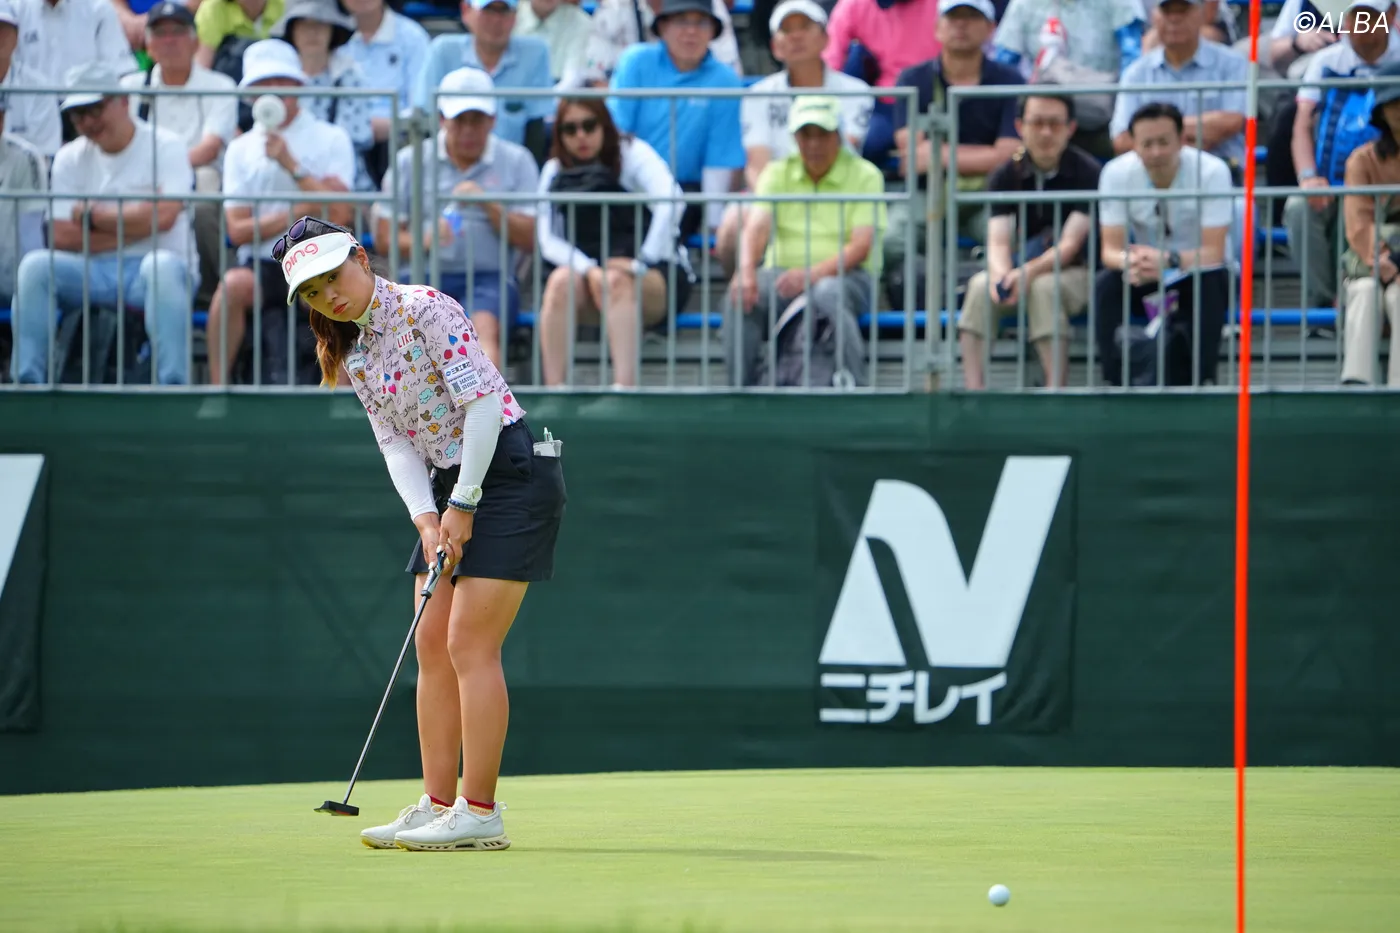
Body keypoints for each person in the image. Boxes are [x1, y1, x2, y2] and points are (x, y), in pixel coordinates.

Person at [275, 215, 566, 851]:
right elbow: (395, 443)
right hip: (446, 485)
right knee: (430, 643)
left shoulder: (427, 308)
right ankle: (437, 804)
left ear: (361, 257)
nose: (330, 296)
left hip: (508, 474)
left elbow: (482, 405)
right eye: (315, 292)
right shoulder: (354, 352)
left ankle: (479, 811)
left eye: (334, 277)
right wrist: (427, 518)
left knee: (468, 644)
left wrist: (463, 502)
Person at [11, 61, 197, 386]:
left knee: (160, 266)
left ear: (123, 101)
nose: (87, 122)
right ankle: (28, 384)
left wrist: (92, 218)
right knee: (35, 267)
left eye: (95, 109)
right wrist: (143, 222)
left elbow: (166, 217)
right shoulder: (69, 156)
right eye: (78, 115)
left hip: (154, 272)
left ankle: (173, 388)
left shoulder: (166, 145)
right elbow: (60, 236)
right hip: (91, 271)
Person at [209, 37, 355, 385]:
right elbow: (237, 230)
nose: (273, 91)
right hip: (261, 264)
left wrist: (293, 167)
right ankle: (216, 392)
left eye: (281, 81)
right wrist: (301, 210)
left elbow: (341, 213)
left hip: (321, 260)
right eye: (263, 83)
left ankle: (348, 397)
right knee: (230, 287)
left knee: (340, 292)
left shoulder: (332, 137)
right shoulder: (239, 148)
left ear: (297, 86)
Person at [377, 67, 540, 370]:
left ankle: (490, 403)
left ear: (492, 120)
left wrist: (489, 205)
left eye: (477, 120)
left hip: (490, 278)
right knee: (406, 339)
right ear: (442, 119)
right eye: (459, 119)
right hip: (421, 277)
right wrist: (424, 240)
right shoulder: (408, 161)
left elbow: (530, 238)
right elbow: (385, 238)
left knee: (481, 329)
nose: (468, 130)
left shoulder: (518, 160)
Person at [726, 95, 884, 387]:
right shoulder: (776, 172)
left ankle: (854, 388)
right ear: (794, 138)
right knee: (742, 294)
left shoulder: (866, 175)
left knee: (827, 292)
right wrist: (745, 271)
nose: (813, 144)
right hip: (783, 275)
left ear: (838, 136)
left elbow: (861, 246)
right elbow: (756, 227)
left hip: (851, 277)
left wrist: (811, 275)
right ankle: (739, 391)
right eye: (805, 135)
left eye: (822, 134)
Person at [535, 96, 692, 388]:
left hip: (653, 271)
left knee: (616, 281)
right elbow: (548, 240)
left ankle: (624, 391)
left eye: (589, 125)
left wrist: (641, 261)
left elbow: (672, 201)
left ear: (604, 125)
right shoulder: (554, 169)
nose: (581, 136)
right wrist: (590, 269)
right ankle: (554, 391)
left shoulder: (632, 152)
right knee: (559, 282)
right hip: (589, 275)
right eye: (570, 129)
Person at [717, 0, 873, 277]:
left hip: (836, 192)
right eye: (787, 30)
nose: (796, 36)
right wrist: (778, 201)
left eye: (805, 27)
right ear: (775, 46)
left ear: (825, 38)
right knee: (732, 224)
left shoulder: (857, 91)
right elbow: (757, 164)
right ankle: (745, 291)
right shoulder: (757, 95)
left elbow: (841, 155)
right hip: (773, 193)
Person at [957, 93, 1100, 390]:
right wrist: (1001, 276)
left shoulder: (1088, 172)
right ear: (1020, 126)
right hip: (1024, 268)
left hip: (1080, 271)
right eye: (1037, 123)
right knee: (981, 286)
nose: (1046, 132)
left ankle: (1055, 393)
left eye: (1055, 124)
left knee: (1044, 288)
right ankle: (974, 392)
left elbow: (1070, 245)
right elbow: (998, 241)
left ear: (1071, 128)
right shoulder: (1005, 174)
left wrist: (1025, 273)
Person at [1095, 102, 1232, 387]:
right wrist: (1133, 262)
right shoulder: (1115, 173)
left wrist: (1169, 260)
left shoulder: (1213, 171)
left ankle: (1201, 380)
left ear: (1181, 140)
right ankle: (1113, 380)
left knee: (1211, 283)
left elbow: (1214, 251)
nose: (1156, 152)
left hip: (1196, 270)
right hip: (1144, 270)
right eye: (1147, 144)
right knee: (1106, 285)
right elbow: (1110, 250)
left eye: (1163, 142)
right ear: (1133, 144)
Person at [121, 1, 239, 308]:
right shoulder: (129, 87)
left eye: (178, 31)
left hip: (198, 172)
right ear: (148, 45)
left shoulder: (220, 85)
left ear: (195, 41)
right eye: (160, 33)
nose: (169, 40)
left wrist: (169, 173)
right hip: (142, 175)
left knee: (203, 205)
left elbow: (210, 148)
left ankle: (210, 295)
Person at [1287, 0, 1400, 313]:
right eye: (1354, 17)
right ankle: (1324, 309)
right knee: (1299, 207)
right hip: (1332, 184)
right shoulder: (1325, 61)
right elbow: (1302, 125)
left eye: (1369, 17)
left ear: (1390, 15)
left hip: (1389, 189)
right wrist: (1309, 177)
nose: (1361, 26)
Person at [606, 0, 745, 242]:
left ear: (712, 31)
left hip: (686, 191)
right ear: (663, 27)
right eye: (681, 21)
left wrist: (714, 224)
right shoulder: (635, 61)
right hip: (629, 184)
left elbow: (720, 157)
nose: (691, 31)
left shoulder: (726, 80)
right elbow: (616, 132)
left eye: (701, 23)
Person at [1108, 0, 1248, 166]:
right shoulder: (1137, 73)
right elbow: (1122, 139)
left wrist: (1152, 134)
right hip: (1155, 174)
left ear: (1201, 15)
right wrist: (1195, 133)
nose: (1174, 19)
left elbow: (1232, 122)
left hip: (1221, 168)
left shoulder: (1233, 63)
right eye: (1167, 12)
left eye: (1183, 10)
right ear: (1154, 17)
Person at [411, 0, 553, 155]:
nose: (496, 20)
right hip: (448, 161)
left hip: (512, 165)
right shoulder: (442, 50)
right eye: (488, 10)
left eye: (504, 11)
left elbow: (536, 127)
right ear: (466, 10)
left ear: (516, 15)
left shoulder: (536, 52)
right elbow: (426, 118)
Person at [272, 0, 376, 191]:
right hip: (282, 175)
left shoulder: (350, 76)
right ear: (292, 30)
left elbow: (355, 137)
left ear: (332, 30)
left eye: (320, 24)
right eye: (304, 25)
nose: (312, 32)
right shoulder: (275, 76)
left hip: (342, 178)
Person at [1339, 63, 1400, 386]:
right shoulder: (1362, 160)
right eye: (1392, 103)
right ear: (1381, 112)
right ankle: (1357, 388)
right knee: (1364, 290)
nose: (1399, 110)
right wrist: (1383, 259)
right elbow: (1358, 221)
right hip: (1371, 264)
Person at [0, 0, 61, 157]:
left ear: (16, 38)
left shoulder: (40, 88)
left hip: (23, 171)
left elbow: (44, 153)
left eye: (3, 29)